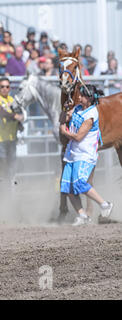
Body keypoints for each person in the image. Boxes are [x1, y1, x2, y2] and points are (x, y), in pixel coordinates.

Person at [59, 85, 113, 226]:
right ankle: (82, 215)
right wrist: (65, 111)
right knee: (68, 187)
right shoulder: (78, 108)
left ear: (88, 98)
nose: (79, 98)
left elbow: (77, 136)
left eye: (82, 96)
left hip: (85, 155)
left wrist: (64, 130)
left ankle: (105, 204)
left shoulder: (91, 114)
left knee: (81, 183)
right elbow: (65, 116)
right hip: (72, 154)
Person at [0, 77, 24, 186]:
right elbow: (1, 112)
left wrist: (20, 124)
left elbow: (19, 115)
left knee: (11, 167)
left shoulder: (12, 100)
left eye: (7, 87)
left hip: (11, 138)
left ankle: (8, 191)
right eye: (2, 86)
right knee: (1, 167)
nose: (5, 89)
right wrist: (15, 116)